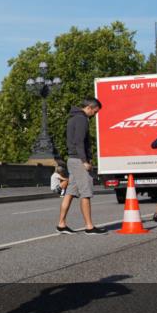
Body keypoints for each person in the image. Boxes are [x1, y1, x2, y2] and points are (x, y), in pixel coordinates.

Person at [56, 97, 105, 235]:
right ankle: (89, 227)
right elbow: (79, 142)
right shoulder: (82, 119)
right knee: (86, 193)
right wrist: (85, 161)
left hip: (72, 159)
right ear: (89, 107)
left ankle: (61, 224)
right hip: (79, 161)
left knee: (70, 192)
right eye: (95, 112)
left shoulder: (73, 117)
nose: (94, 115)